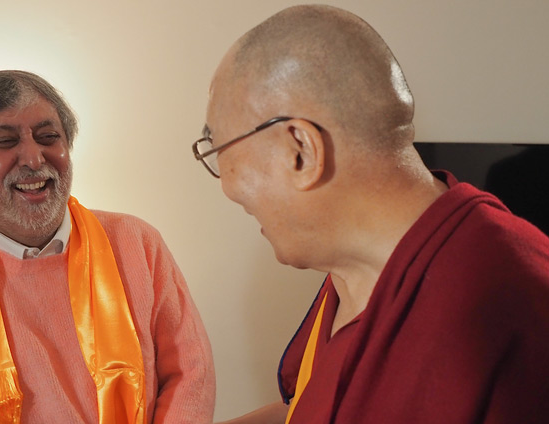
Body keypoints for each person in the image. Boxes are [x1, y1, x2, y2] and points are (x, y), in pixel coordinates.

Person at [192, 5, 549, 424]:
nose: (227, 187)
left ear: (301, 151)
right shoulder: (355, 271)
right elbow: (310, 409)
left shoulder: (510, 302)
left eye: (219, 150)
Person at [0, 70, 216, 423]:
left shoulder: (137, 244)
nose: (34, 158)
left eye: (48, 137)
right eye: (5, 141)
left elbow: (191, 374)